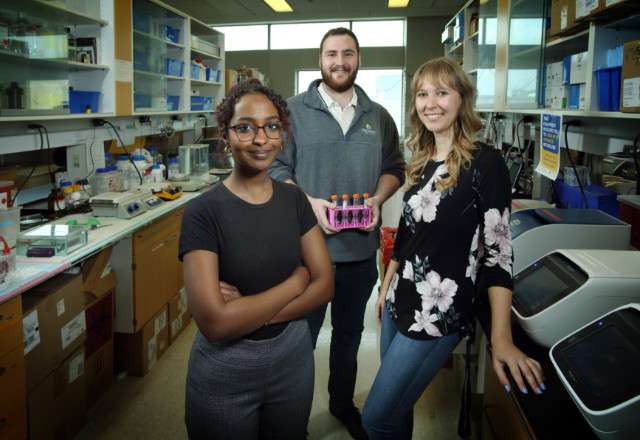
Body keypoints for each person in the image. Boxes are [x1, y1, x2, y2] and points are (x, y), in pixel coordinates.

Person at [361, 57, 545, 439]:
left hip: (438, 314)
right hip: (399, 302)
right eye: (423, 94)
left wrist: (501, 339)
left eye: (442, 92)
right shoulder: (422, 161)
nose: (431, 103)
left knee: (376, 418)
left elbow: (498, 255)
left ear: (462, 98)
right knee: (397, 410)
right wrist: (386, 286)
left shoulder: (485, 163)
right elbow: (408, 237)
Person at [269, 27, 405, 440]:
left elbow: (394, 168)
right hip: (306, 258)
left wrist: (379, 200)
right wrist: (309, 204)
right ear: (320, 59)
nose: (340, 61)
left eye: (348, 53)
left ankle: (342, 405)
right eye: (332, 54)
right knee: (298, 344)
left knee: (348, 341)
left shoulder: (378, 115)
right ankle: (291, 422)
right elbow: (275, 170)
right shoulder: (291, 112)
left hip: (360, 255)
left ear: (358, 58)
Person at [179, 79, 334, 440]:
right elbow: (215, 324)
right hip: (225, 370)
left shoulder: (294, 201)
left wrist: (246, 313)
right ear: (226, 134)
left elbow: (325, 285)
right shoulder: (203, 212)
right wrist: (296, 283)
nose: (261, 139)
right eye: (245, 127)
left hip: (293, 360)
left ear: (283, 133)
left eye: (272, 126)